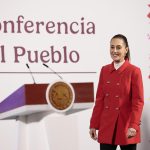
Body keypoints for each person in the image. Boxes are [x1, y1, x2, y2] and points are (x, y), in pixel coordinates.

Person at [89, 34, 144, 150]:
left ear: (126, 50)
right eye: (112, 47)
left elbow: (138, 102)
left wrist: (133, 125)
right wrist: (93, 124)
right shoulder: (104, 70)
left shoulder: (134, 71)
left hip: (127, 125)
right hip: (107, 124)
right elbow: (99, 100)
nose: (114, 51)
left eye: (118, 47)